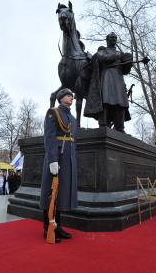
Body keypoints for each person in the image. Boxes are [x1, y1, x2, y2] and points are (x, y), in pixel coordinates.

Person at [40, 88, 78, 243]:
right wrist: (52, 159)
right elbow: (49, 137)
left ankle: (58, 226)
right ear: (61, 98)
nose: (71, 98)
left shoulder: (73, 118)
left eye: (72, 96)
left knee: (61, 193)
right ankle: (47, 227)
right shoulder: (53, 112)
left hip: (68, 158)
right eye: (69, 95)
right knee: (51, 193)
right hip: (56, 158)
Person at [84, 32, 132, 132]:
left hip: (118, 78)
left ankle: (120, 127)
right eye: (111, 37)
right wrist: (117, 56)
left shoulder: (120, 53)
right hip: (107, 77)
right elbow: (102, 58)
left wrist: (128, 63)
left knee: (121, 102)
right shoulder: (103, 51)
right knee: (106, 100)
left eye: (115, 37)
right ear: (107, 39)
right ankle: (103, 124)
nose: (114, 39)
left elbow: (125, 71)